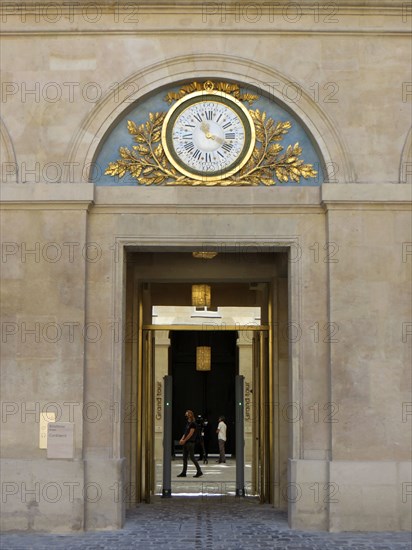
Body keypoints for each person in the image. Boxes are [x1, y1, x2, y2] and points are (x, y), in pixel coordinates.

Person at [177, 410, 203, 478]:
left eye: (187, 414)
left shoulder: (193, 424)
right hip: (186, 442)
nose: (185, 415)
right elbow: (185, 433)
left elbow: (190, 434)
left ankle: (199, 471)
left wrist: (184, 440)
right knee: (184, 458)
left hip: (190, 443)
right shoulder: (188, 423)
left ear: (190, 415)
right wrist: (182, 439)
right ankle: (184, 472)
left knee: (192, 457)